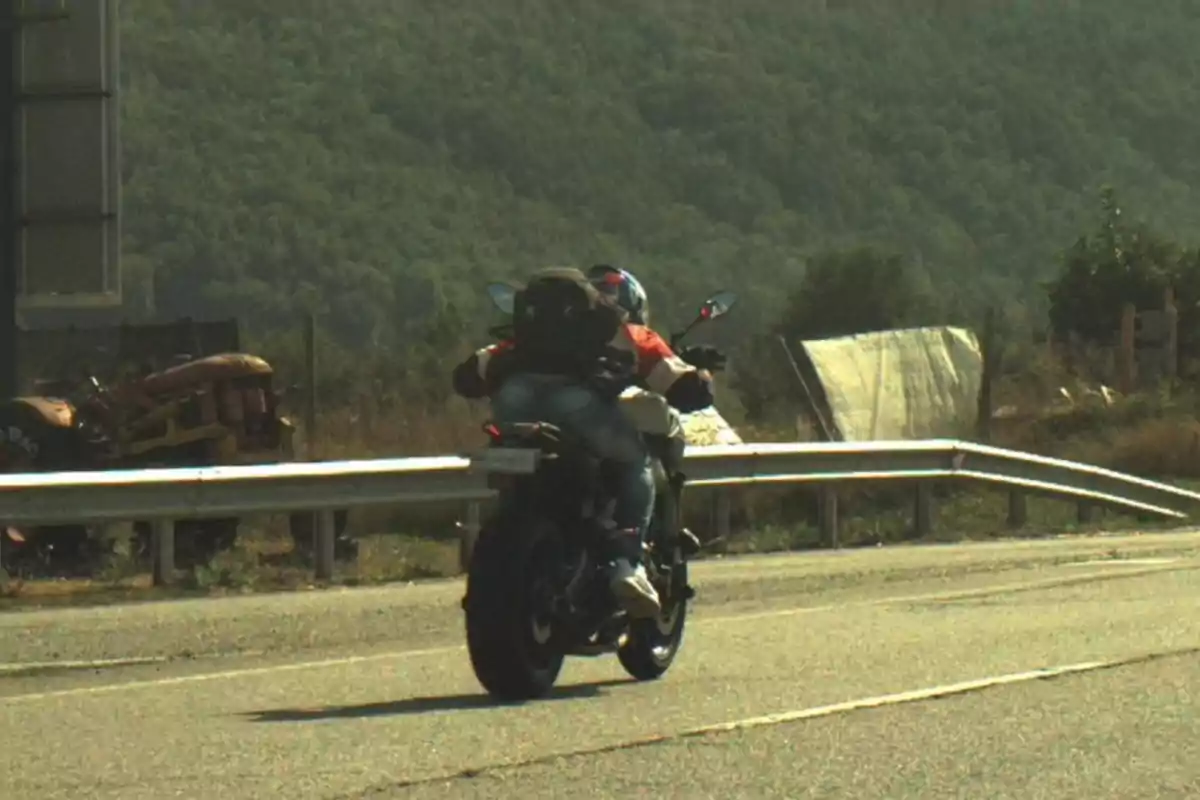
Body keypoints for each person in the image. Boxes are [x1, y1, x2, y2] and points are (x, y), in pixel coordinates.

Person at [452, 265, 717, 618]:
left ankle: (507, 548)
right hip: (576, 408)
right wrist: (702, 378)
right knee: (634, 460)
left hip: (513, 406)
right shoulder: (627, 331)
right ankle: (626, 563)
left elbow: (468, 375)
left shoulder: (525, 338)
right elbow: (679, 382)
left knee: (513, 472)